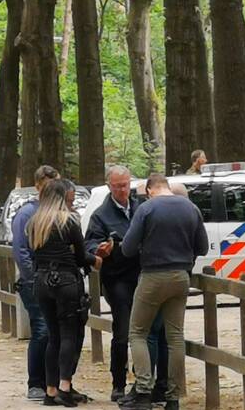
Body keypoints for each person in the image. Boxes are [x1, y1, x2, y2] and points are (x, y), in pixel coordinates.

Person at [120, 174, 208, 410]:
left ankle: (143, 390)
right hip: (181, 276)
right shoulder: (191, 208)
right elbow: (202, 246)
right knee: (175, 337)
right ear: (167, 187)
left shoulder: (147, 209)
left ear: (150, 189)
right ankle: (173, 396)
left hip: (153, 275)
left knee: (137, 332)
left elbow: (127, 248)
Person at [83, 166, 168, 403]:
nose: (122, 190)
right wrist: (100, 249)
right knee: (122, 332)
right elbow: (89, 244)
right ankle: (118, 383)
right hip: (118, 278)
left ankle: (148, 383)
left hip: (144, 275)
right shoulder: (101, 215)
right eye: (117, 186)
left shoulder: (142, 207)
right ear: (109, 186)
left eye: (125, 185)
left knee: (152, 331)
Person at [29, 178, 102, 407]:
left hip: (41, 281)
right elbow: (81, 257)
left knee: (53, 336)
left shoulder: (34, 223)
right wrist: (96, 259)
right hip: (66, 281)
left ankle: (50, 391)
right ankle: (64, 386)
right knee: (68, 335)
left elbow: (34, 257)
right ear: (62, 197)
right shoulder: (69, 221)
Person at [12, 165, 59, 402]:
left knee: (58, 331)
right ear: (39, 185)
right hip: (35, 282)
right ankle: (36, 382)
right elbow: (21, 251)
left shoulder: (59, 212)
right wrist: (33, 279)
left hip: (56, 281)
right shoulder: (26, 214)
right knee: (41, 329)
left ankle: (56, 382)